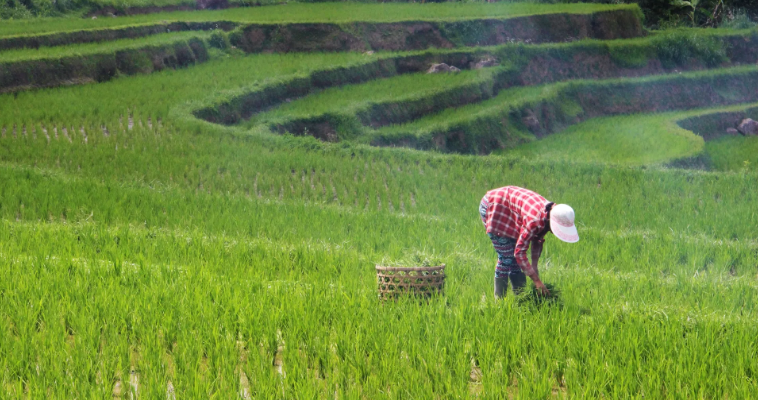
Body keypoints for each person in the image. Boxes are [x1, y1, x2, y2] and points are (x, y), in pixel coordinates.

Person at [479, 186, 578, 298]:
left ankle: (520, 297)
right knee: (506, 257)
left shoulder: (548, 214)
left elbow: (537, 239)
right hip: (494, 206)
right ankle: (499, 301)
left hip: (510, 210)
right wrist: (536, 280)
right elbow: (519, 253)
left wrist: (534, 267)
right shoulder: (534, 220)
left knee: (515, 261)